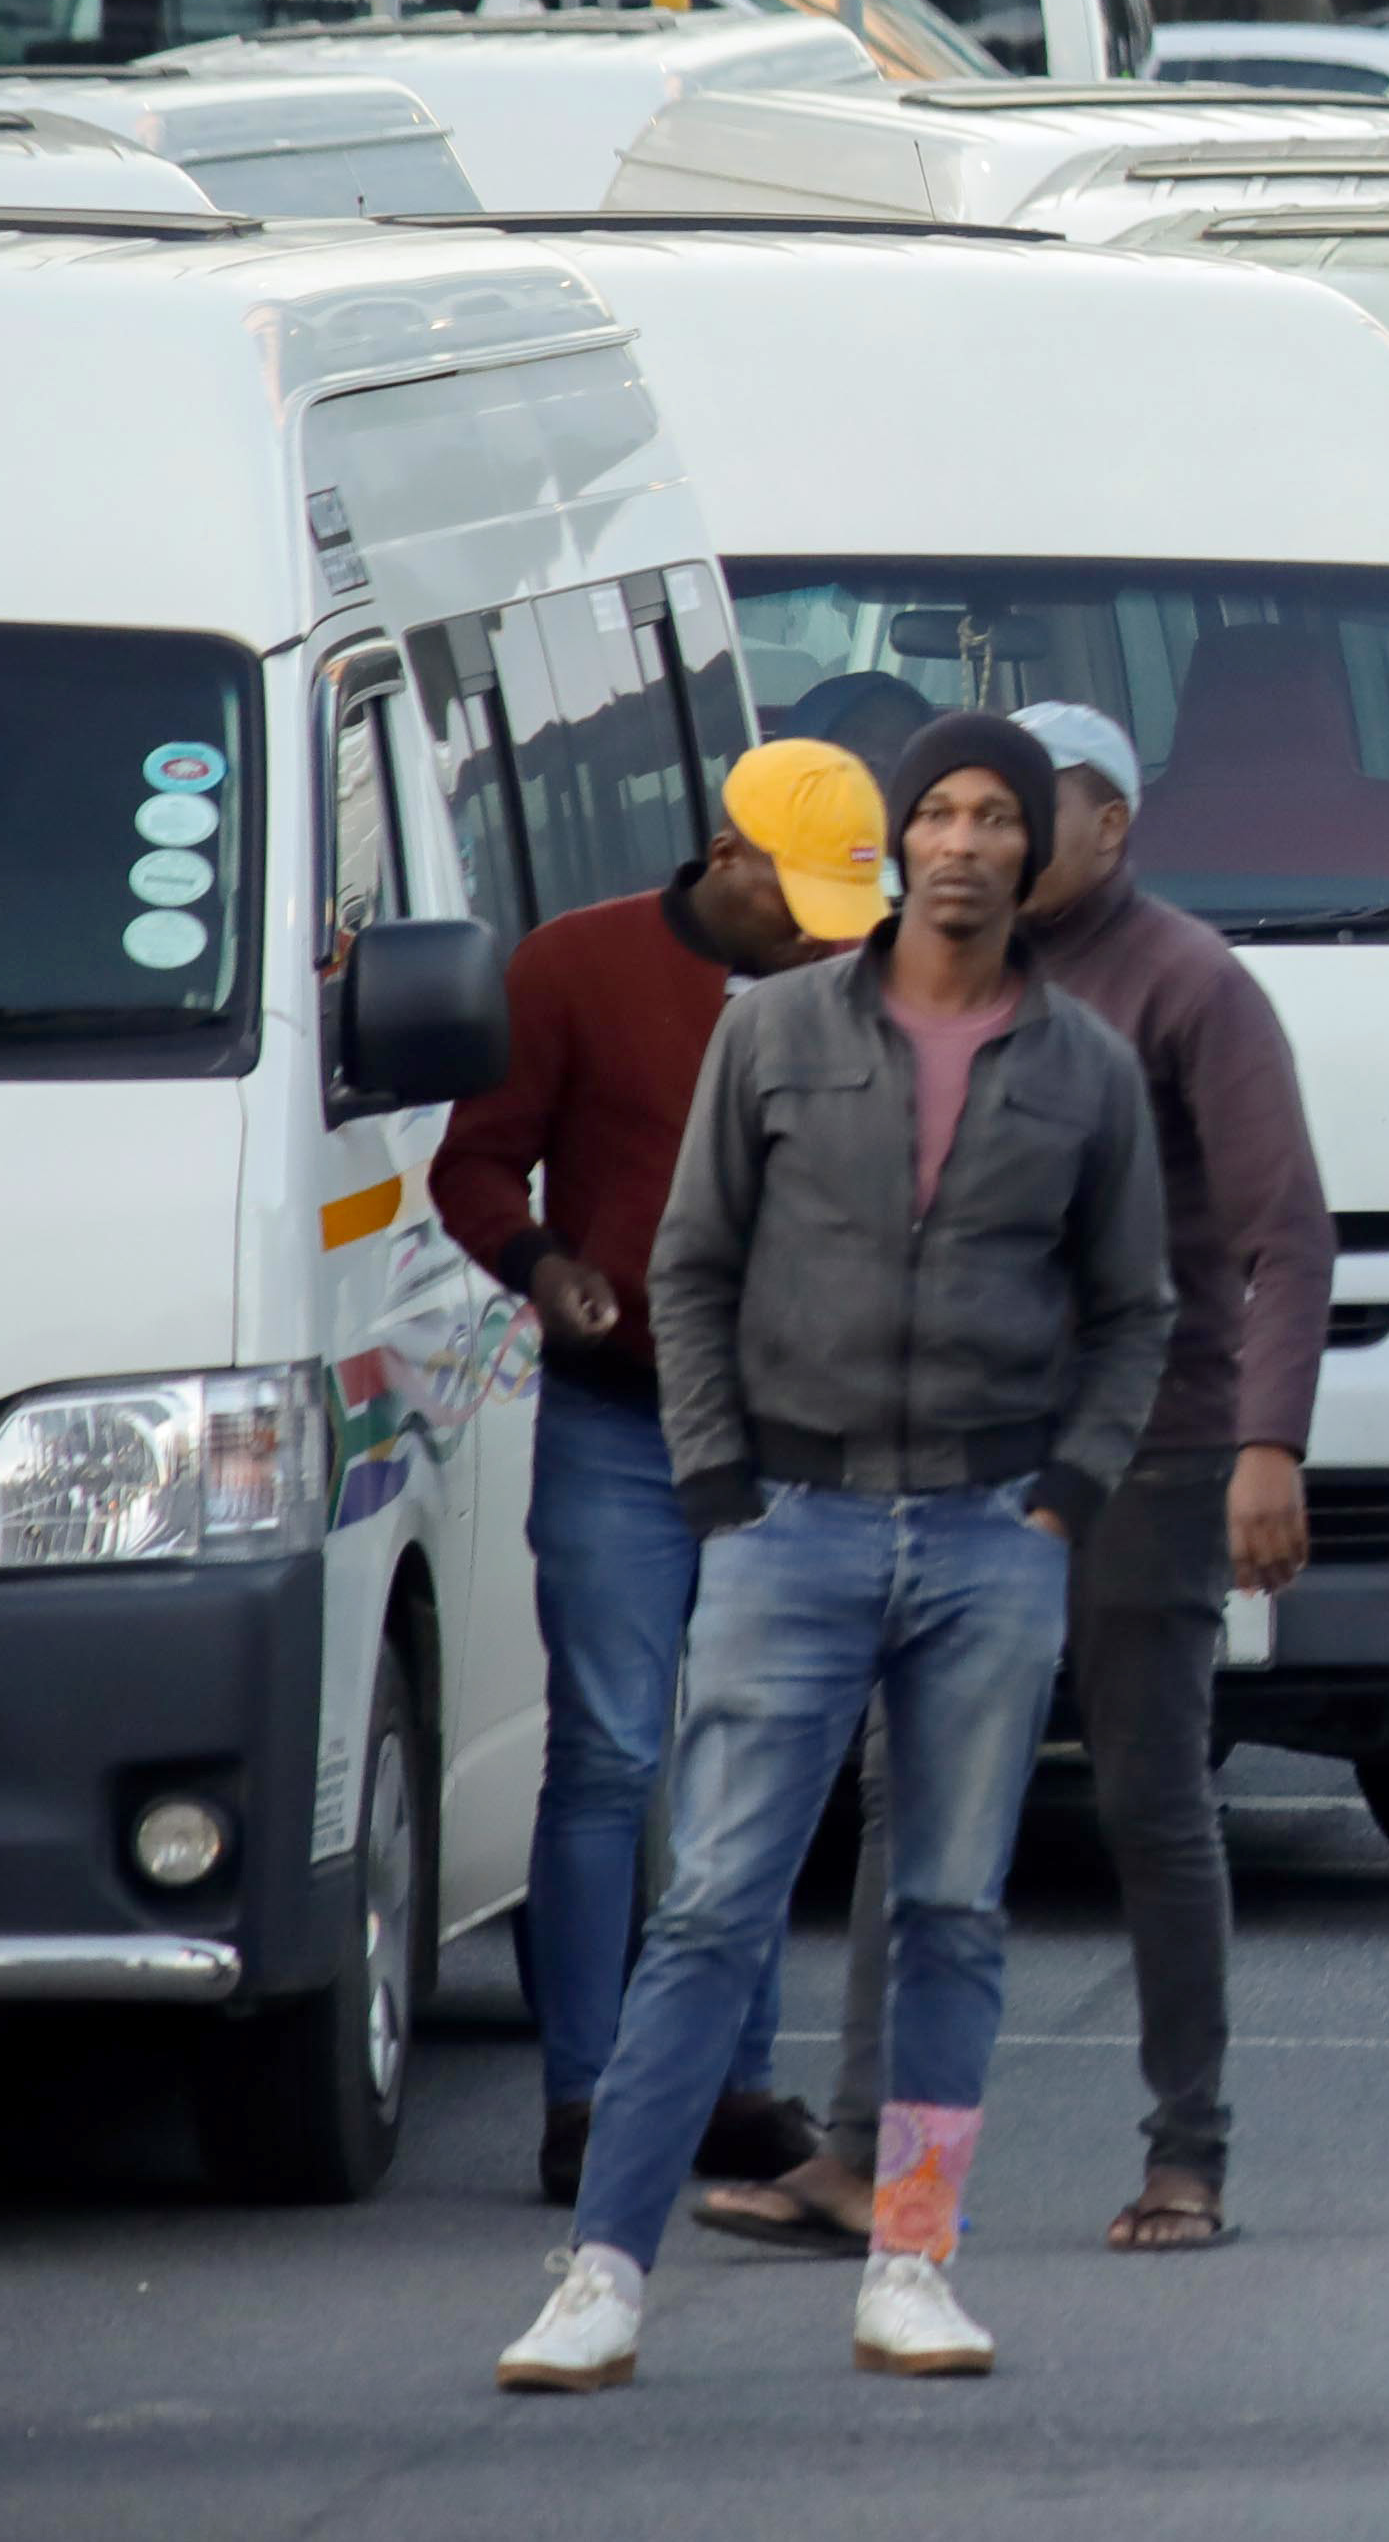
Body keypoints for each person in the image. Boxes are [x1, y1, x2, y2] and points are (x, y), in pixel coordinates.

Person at [496, 714, 1175, 2392]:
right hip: (788, 1522)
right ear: (900, 843)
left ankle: (915, 2254)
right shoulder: (781, 1032)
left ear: (1031, 851)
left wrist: (1068, 1492)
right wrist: (721, 1476)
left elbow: (1135, 1306)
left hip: (988, 1531)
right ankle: (601, 2271)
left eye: (988, 818)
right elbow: (695, 1264)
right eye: (931, 812)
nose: (957, 842)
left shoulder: (1082, 1064)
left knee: (950, 1910)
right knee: (716, 1903)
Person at [701, 702, 1328, 2263]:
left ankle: (1189, 2150)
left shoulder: (1188, 985)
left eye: (1023, 814)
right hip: (953, 1457)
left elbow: (1283, 1228)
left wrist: (1269, 1442)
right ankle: (870, 2165)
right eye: (958, 815)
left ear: (1105, 826)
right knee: (906, 1806)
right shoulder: (928, 987)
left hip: (1149, 1449)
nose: (987, 843)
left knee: (1147, 1798)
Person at [429, 740, 883, 2205]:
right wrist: (544, 1266)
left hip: (792, 1431)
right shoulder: (574, 969)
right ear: (725, 852)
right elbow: (476, 1163)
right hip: (620, 1417)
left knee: (748, 1748)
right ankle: (583, 2092)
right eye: (793, 898)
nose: (814, 927)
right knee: (614, 1750)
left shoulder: (862, 984)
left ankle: (733, 2082)